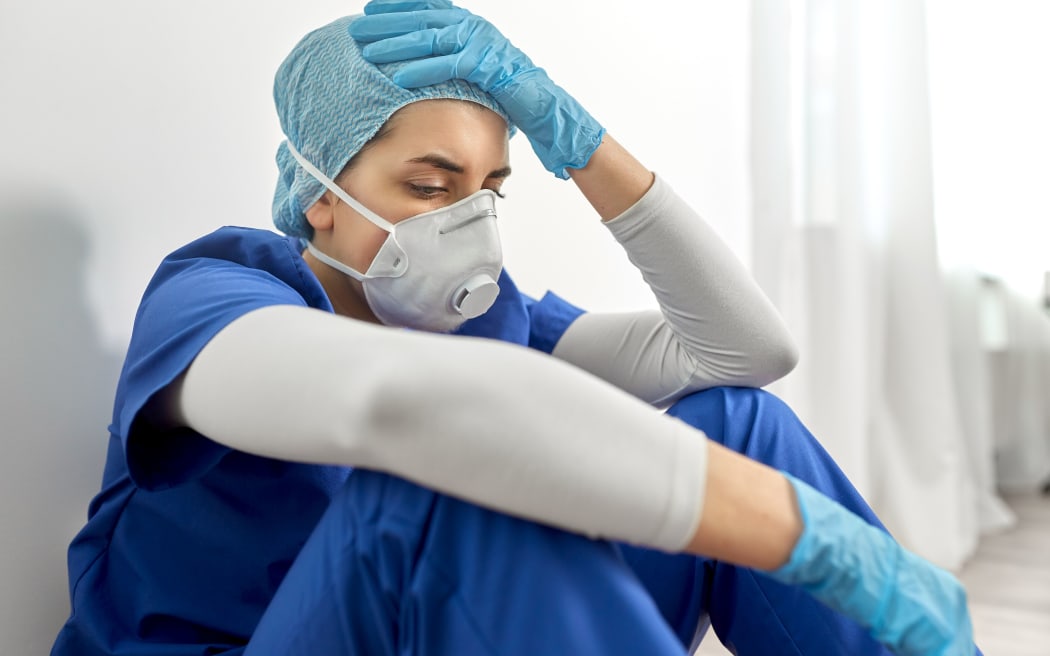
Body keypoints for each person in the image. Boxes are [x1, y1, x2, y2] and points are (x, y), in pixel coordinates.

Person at [51, 2, 981, 655]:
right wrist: (793, 532)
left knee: (732, 420)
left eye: (489, 191)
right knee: (436, 496)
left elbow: (744, 352)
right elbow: (400, 409)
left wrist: (577, 139)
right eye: (428, 186)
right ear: (316, 196)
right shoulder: (216, 300)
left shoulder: (487, 327)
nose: (468, 223)